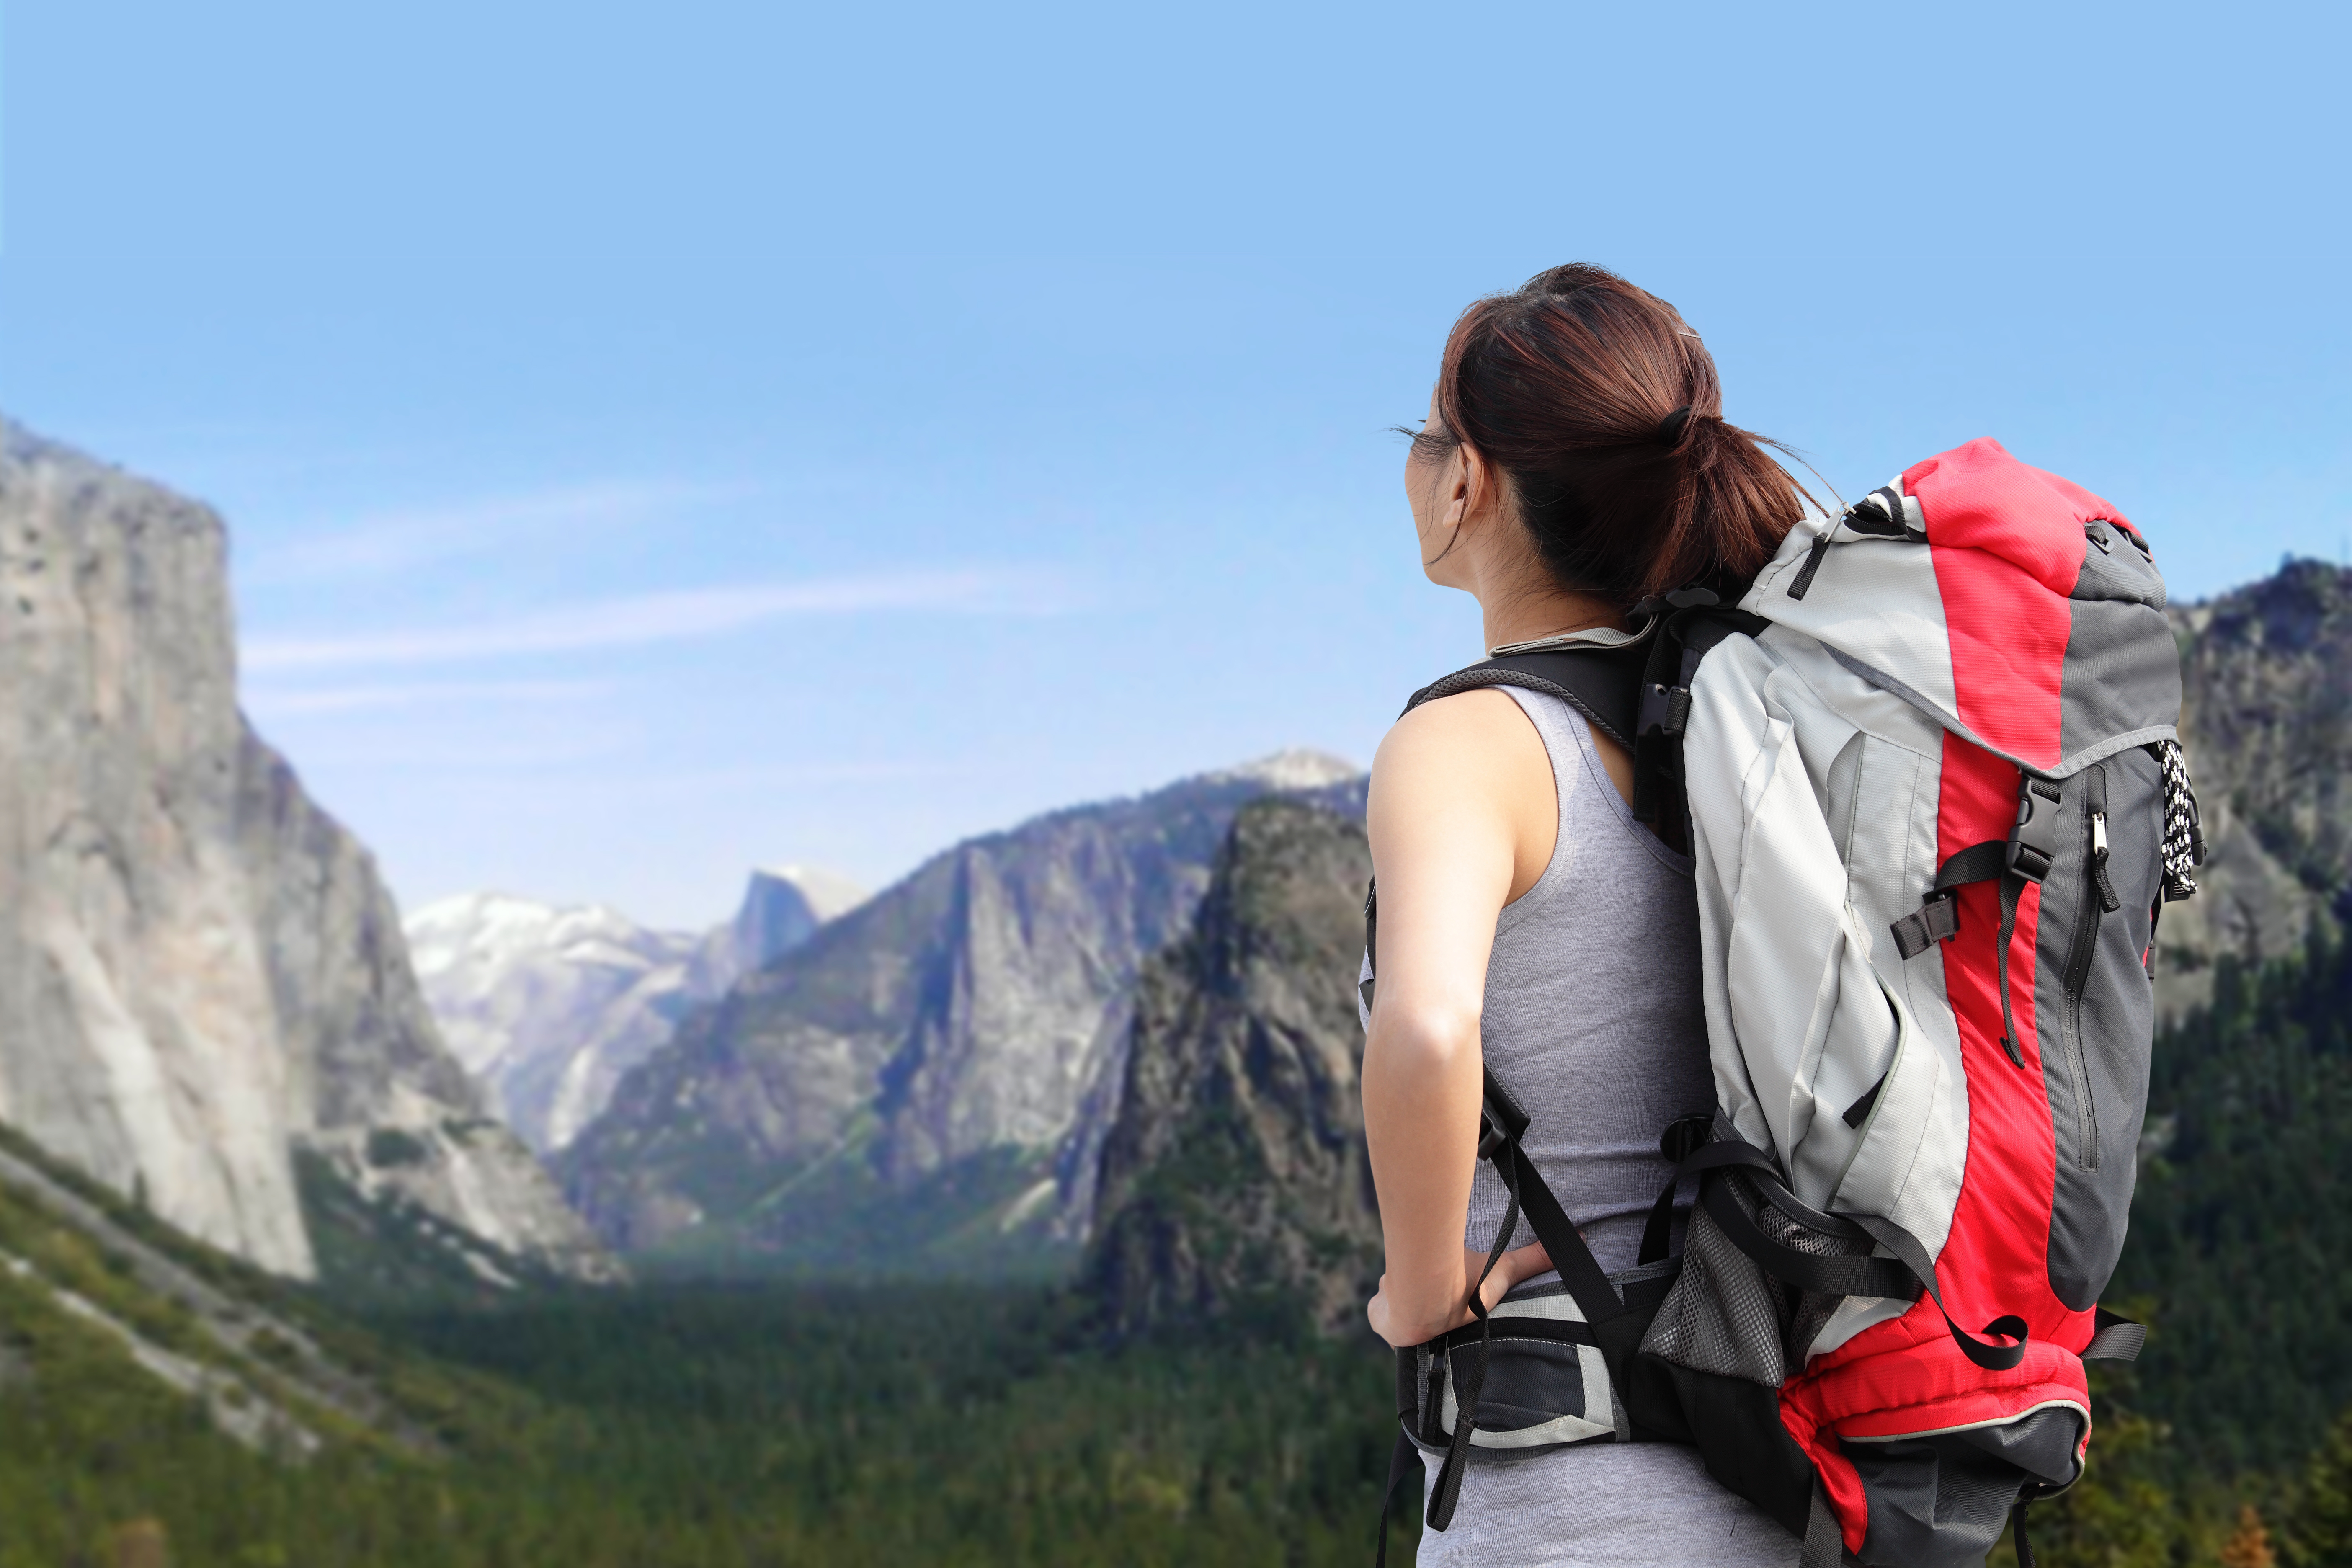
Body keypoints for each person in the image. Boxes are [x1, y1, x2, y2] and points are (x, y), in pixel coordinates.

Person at [1360, 264, 1814, 1565]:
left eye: (1425, 434)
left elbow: (1432, 1032)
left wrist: (1427, 1288)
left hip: (1566, 1513)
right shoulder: (1752, 726)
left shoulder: (1470, 741)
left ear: (1469, 480)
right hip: (1779, 1486)